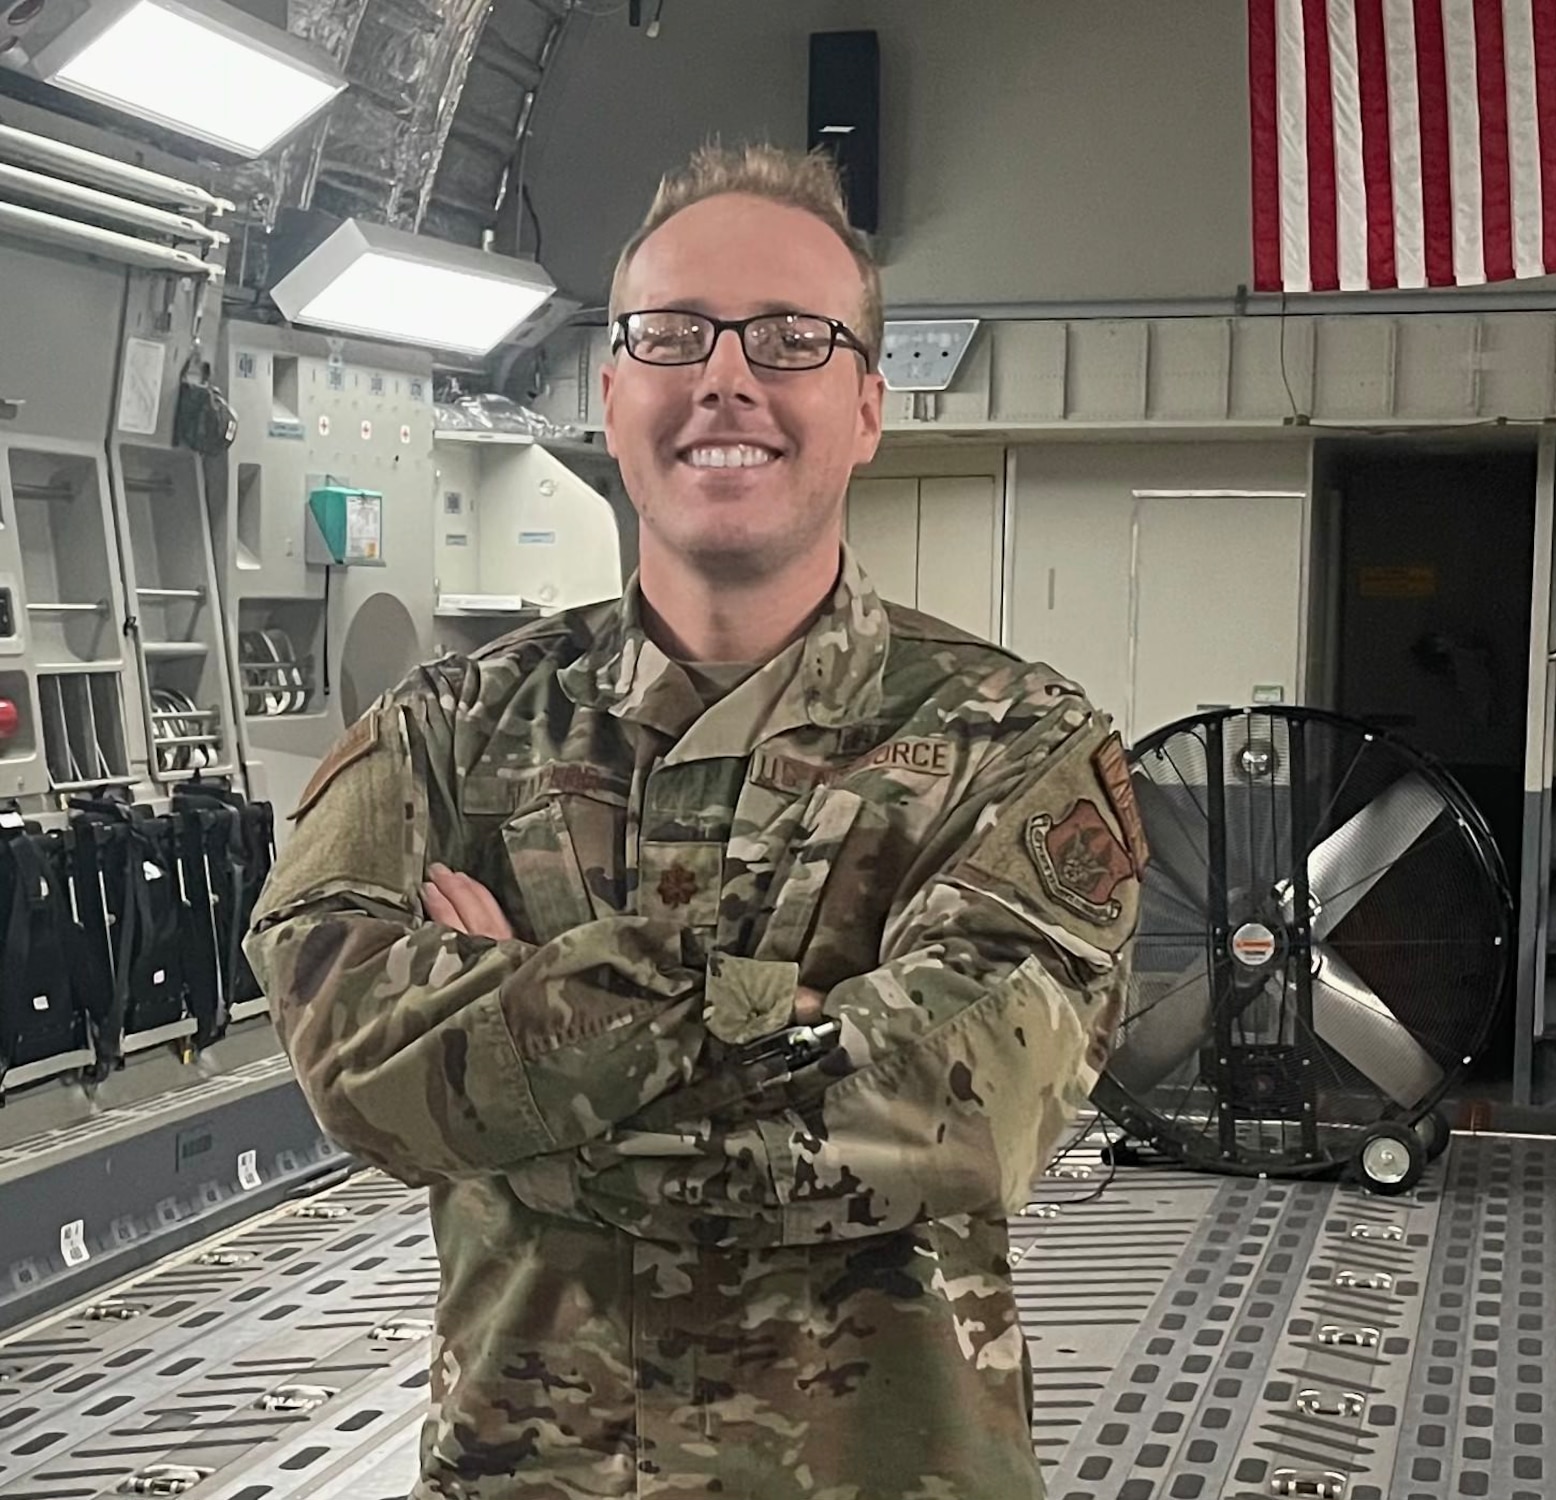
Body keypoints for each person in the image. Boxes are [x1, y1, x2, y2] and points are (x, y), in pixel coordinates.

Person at [244, 142, 1146, 1500]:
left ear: (865, 405)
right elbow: (354, 1061)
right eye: (673, 334)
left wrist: (526, 1058)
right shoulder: (451, 731)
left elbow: (958, 1120)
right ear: (611, 394)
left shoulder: (1018, 745)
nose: (727, 376)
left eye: (791, 336)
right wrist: (796, 1020)